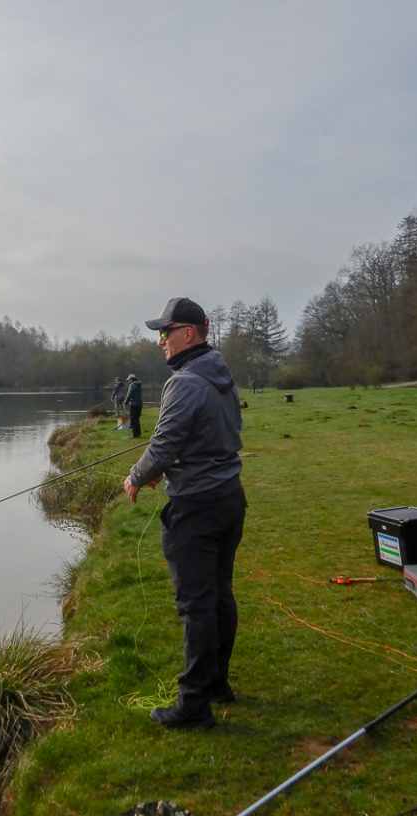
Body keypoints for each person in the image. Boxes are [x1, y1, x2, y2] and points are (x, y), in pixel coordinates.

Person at [123, 297, 246, 730]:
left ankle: (194, 705)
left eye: (165, 332)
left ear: (188, 333)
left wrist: (136, 477)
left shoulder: (185, 382)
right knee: (219, 593)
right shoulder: (220, 372)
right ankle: (216, 683)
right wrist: (172, 465)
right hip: (229, 498)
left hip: (197, 507)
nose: (160, 341)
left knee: (197, 606)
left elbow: (161, 447)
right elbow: (211, 436)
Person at [123, 374, 143, 438]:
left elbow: (129, 394)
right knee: (137, 419)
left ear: (131, 379)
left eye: (128, 380)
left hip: (134, 404)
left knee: (133, 419)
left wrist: (125, 403)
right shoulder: (138, 384)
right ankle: (138, 433)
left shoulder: (133, 385)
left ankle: (135, 434)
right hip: (139, 404)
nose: (128, 381)